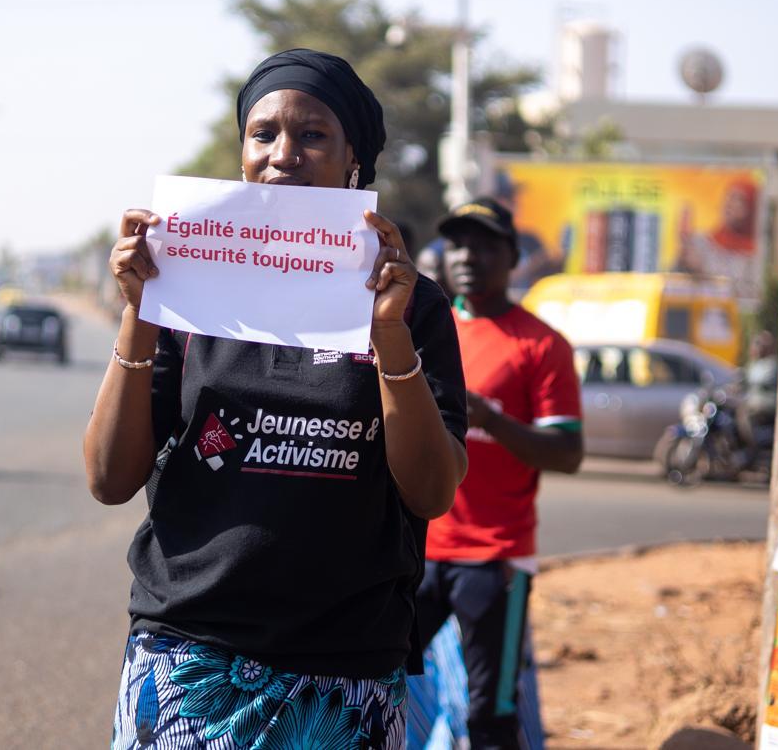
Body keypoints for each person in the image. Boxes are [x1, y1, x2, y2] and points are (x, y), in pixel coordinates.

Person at [84, 48, 469, 749]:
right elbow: (110, 478)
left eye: (312, 134)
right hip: (189, 660)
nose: (283, 153)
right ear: (241, 154)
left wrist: (387, 336)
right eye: (264, 134)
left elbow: (432, 488)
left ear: (353, 158)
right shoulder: (183, 291)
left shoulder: (411, 306)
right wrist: (139, 311)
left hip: (343, 672)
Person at [413, 197, 583, 750]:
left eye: (486, 245)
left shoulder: (542, 344)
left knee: (491, 711)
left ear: (512, 257)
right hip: (414, 548)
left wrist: (490, 418)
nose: (469, 257)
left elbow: (567, 452)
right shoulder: (420, 329)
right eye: (459, 244)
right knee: (379, 682)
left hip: (495, 558)